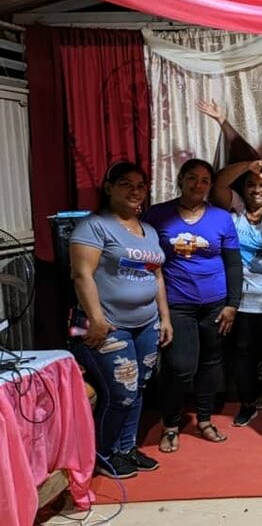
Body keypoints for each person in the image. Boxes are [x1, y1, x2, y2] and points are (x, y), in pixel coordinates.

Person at [69, 163, 172, 478]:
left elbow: (156, 276)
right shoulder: (94, 226)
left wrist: (165, 317)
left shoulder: (148, 231)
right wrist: (96, 318)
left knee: (138, 388)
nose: (135, 190)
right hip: (109, 325)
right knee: (122, 393)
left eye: (140, 185)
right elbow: (82, 274)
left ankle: (126, 449)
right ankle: (104, 453)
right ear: (109, 187)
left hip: (146, 324)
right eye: (126, 183)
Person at [143, 159, 241, 453]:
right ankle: (171, 425)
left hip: (216, 305)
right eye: (192, 178)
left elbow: (233, 264)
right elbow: (149, 262)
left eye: (204, 180)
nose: (198, 185)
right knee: (180, 368)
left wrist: (232, 304)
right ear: (181, 180)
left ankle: (205, 420)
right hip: (176, 304)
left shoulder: (221, 218)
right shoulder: (157, 215)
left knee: (211, 363)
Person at [211, 158, 262, 427]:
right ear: (243, 189)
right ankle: (248, 403)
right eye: (251, 185)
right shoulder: (236, 213)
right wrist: (249, 166)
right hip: (240, 301)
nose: (257, 190)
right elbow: (219, 185)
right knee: (243, 357)